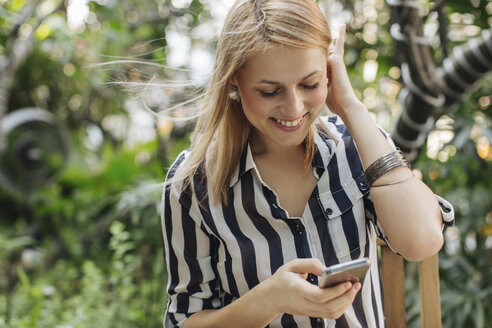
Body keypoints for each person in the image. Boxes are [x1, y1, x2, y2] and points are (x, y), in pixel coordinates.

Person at [160, 0, 454, 327]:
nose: (293, 107)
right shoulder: (193, 183)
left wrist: (350, 106)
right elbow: (184, 320)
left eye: (310, 84)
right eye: (270, 91)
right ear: (234, 81)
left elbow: (422, 240)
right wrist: (270, 299)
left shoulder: (356, 146)